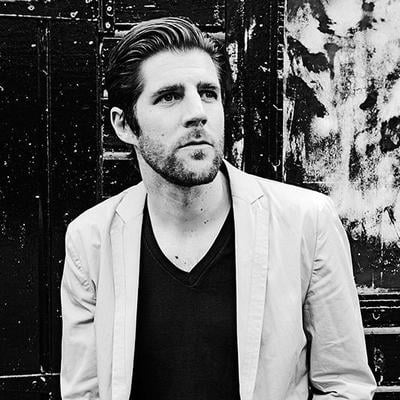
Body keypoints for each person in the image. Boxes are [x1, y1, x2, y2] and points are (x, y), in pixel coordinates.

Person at [60, 17, 376, 400]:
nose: (198, 112)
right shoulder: (91, 240)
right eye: (169, 96)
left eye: (208, 93)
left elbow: (345, 386)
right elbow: (84, 392)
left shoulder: (307, 222)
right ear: (125, 125)